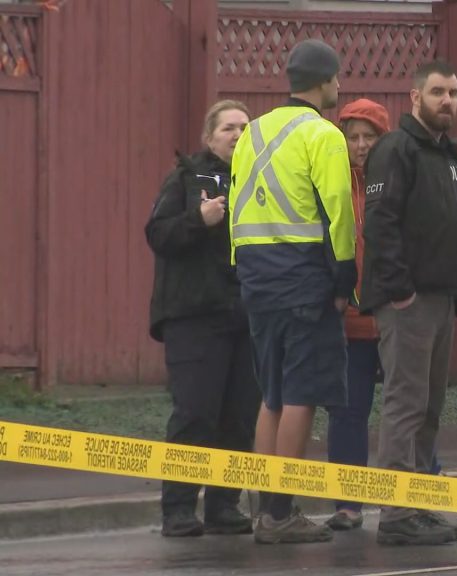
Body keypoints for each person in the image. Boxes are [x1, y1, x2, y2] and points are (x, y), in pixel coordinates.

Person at [228, 39, 356, 544]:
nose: (339, 87)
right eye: (337, 79)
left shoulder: (252, 132)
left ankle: (266, 508)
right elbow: (338, 209)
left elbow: (239, 208)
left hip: (257, 280)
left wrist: (243, 268)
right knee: (302, 393)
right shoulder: (322, 134)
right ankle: (281, 515)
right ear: (325, 81)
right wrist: (344, 275)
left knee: (273, 395)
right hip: (304, 279)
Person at [361, 59, 457, 546]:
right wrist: (400, 290)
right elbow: (380, 222)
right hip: (408, 301)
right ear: (415, 98)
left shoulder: (450, 156)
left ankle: (416, 502)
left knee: (430, 406)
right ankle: (396, 514)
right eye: (438, 92)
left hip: (442, 298)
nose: (447, 102)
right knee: (406, 403)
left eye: (453, 94)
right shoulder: (396, 149)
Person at [147, 100, 261, 538]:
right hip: (194, 317)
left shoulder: (256, 181)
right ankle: (177, 509)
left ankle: (224, 505)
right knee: (195, 414)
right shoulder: (186, 177)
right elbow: (157, 233)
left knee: (238, 416)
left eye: (244, 128)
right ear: (209, 137)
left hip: (245, 317)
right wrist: (199, 219)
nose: (236, 134)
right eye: (228, 127)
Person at [325, 98, 391, 532]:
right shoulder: (331, 181)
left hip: (396, 315)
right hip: (350, 319)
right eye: (354, 137)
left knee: (411, 412)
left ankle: (417, 498)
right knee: (348, 412)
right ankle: (348, 505)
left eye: (370, 137)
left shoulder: (397, 179)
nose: (361, 145)